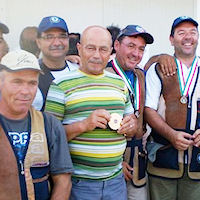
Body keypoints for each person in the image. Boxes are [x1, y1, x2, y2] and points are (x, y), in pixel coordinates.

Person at [45, 25, 138, 200]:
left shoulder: (119, 84)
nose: (97, 55)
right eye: (90, 48)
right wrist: (84, 125)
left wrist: (131, 124)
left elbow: (132, 124)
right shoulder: (61, 85)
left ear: (111, 51)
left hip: (116, 182)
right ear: (79, 48)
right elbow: (49, 138)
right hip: (79, 184)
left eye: (103, 49)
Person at [0, 49, 73, 200]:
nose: (25, 91)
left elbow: (63, 182)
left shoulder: (50, 124)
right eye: (17, 82)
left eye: (32, 83)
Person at [144, 16, 200, 200]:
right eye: (181, 32)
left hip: (197, 165)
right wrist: (171, 135)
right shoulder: (158, 68)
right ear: (171, 39)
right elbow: (148, 110)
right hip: (163, 160)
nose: (188, 37)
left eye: (192, 32)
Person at [106, 24, 154, 200]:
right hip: (112, 162)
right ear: (116, 45)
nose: (136, 53)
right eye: (131, 46)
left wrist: (161, 57)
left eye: (141, 49)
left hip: (138, 161)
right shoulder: (104, 73)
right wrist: (116, 162)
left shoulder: (141, 75)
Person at [32, 16, 78, 111]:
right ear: (38, 42)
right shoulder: (31, 74)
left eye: (62, 36)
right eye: (49, 37)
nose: (57, 43)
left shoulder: (78, 71)